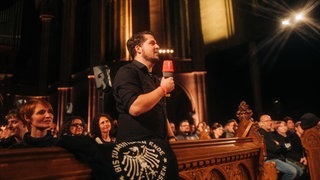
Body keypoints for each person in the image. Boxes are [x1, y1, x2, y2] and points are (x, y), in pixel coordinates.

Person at [112, 30, 179, 179]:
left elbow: (161, 111)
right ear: (138, 48)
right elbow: (135, 107)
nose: (158, 46)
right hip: (136, 150)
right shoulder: (127, 72)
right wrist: (163, 89)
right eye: (152, 43)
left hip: (160, 147)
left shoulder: (154, 79)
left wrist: (172, 137)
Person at [258, 114, 300, 180]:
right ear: (261, 123)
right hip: (271, 159)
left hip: (279, 157)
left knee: (300, 171)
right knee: (293, 172)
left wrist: (278, 145)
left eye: (270, 120)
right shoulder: (261, 134)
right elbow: (274, 148)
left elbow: (281, 146)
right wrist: (278, 145)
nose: (270, 122)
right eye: (267, 121)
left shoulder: (269, 133)